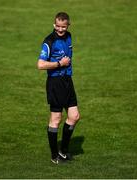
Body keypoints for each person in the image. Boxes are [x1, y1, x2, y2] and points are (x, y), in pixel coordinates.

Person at [37, 12, 80, 164]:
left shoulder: (69, 36)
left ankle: (63, 150)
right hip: (55, 83)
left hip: (68, 81)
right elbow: (40, 64)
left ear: (68, 25)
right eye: (58, 26)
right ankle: (55, 155)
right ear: (54, 25)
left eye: (63, 26)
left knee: (74, 116)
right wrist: (59, 64)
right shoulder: (49, 41)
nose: (60, 29)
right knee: (56, 118)